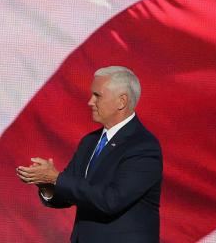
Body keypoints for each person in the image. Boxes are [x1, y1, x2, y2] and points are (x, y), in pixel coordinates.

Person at [16, 66, 162, 243]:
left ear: (121, 101)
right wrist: (47, 185)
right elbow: (70, 192)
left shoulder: (143, 147)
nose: (90, 102)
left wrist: (56, 178)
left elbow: (111, 200)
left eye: (97, 95)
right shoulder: (90, 141)